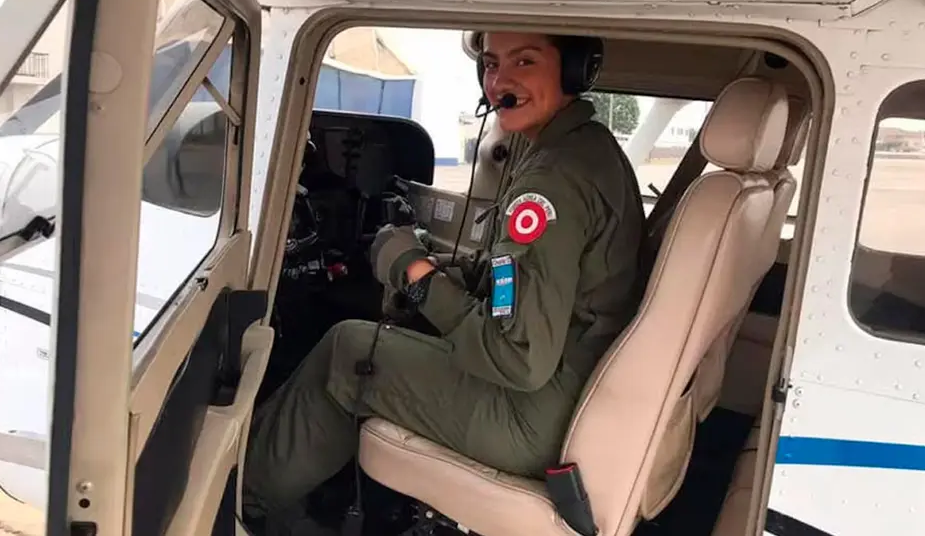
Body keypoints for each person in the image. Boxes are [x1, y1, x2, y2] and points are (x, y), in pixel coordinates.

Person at [242, 31, 649, 535]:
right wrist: (448, 270)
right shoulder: (586, 150)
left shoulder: (552, 181)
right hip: (570, 390)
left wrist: (413, 274)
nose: (501, 80)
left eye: (525, 60)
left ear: (572, 69)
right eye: (492, 63)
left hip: (531, 415)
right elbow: (533, 281)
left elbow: (517, 357)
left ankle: (242, 503)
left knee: (348, 348)